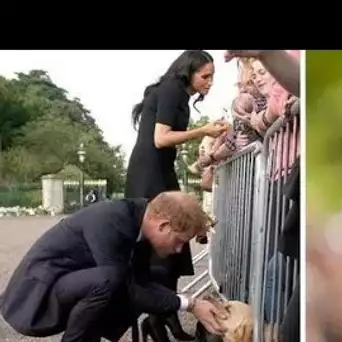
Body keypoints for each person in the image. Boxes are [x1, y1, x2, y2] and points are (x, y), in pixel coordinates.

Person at [0, 191, 228, 342]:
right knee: (110, 280)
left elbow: (139, 282)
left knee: (155, 277)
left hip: (65, 286)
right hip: (34, 300)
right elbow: (125, 287)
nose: (179, 250)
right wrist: (189, 304)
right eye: (180, 241)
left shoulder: (138, 220)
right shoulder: (113, 219)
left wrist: (188, 301)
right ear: (164, 225)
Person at [125, 50, 229, 341]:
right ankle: (158, 319)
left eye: (212, 77)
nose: (209, 82)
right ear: (189, 72)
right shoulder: (171, 89)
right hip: (149, 173)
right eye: (205, 76)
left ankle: (164, 317)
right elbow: (161, 138)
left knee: (174, 244)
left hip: (160, 169)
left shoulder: (179, 95)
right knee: (161, 243)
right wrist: (204, 130)